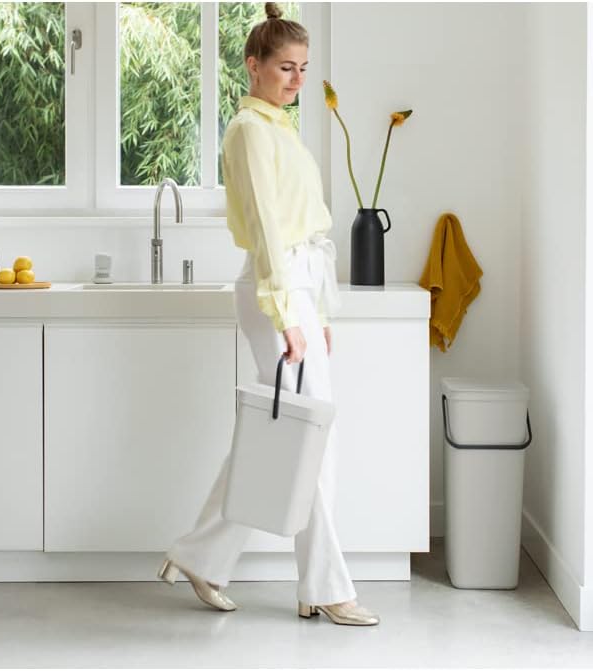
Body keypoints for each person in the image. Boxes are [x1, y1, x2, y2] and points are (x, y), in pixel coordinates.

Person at [156, 2, 379, 627]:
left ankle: (200, 555)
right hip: (274, 289)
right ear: (253, 66)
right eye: (286, 67)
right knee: (309, 440)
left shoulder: (281, 128)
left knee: (286, 439)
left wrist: (320, 310)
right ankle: (326, 586)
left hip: (300, 288)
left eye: (304, 68)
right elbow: (267, 230)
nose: (297, 80)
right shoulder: (249, 131)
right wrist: (288, 314)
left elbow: (306, 231)